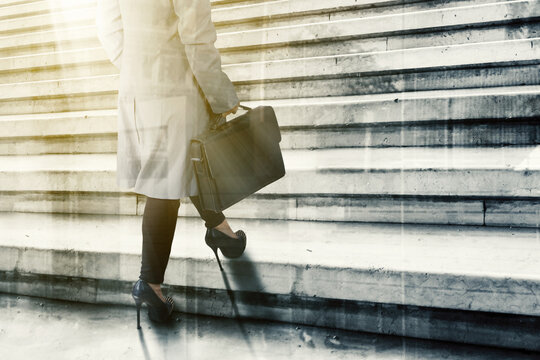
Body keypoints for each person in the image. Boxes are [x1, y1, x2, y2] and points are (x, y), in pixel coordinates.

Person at [96, 0, 246, 329]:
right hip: (176, 85)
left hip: (138, 86)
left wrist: (139, 65)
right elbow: (196, 34)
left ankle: (221, 232)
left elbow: (108, 26)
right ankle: (150, 283)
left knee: (183, 164)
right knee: (165, 179)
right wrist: (221, 94)